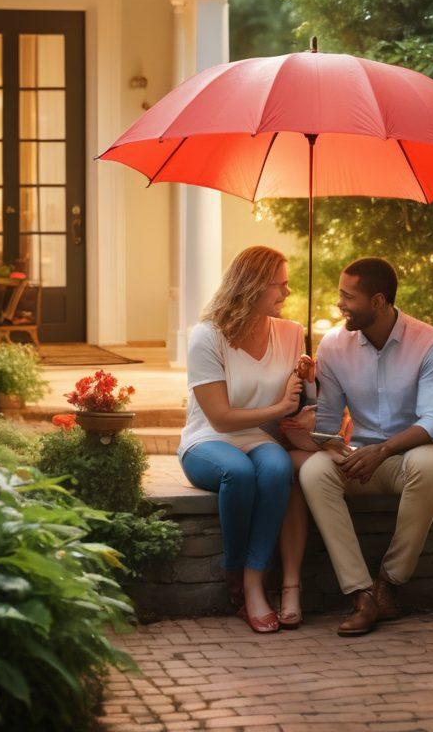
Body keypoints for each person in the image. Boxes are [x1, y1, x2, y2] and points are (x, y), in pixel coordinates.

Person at [298, 257, 433, 637]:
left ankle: (389, 582)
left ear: (379, 301)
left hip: (405, 459)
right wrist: (307, 386)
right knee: (314, 471)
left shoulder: (431, 343)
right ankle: (362, 594)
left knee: (432, 463)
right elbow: (328, 424)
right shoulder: (333, 346)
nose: (340, 304)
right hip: (361, 460)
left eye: (348, 297)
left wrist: (383, 451)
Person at [177, 245, 315, 634]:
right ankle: (235, 576)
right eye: (279, 286)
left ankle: (256, 580)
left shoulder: (291, 333)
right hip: (207, 440)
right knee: (238, 473)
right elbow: (219, 418)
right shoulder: (207, 336)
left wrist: (306, 382)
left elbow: (300, 400)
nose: (287, 294)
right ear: (252, 286)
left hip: (259, 439)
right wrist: (279, 407)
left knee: (276, 469)